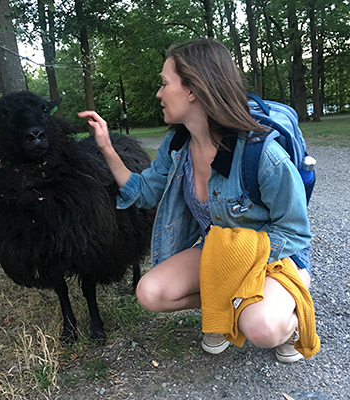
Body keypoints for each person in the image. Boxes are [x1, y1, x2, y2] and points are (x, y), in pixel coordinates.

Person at [78, 38, 314, 363]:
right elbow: (142, 192)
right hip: (220, 251)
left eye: (164, 83)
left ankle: (292, 321)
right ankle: (229, 306)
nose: (159, 94)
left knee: (262, 328)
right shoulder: (177, 145)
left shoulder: (262, 154)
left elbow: (296, 232)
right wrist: (105, 146)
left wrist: (234, 264)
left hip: (277, 258)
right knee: (150, 292)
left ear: (193, 89)